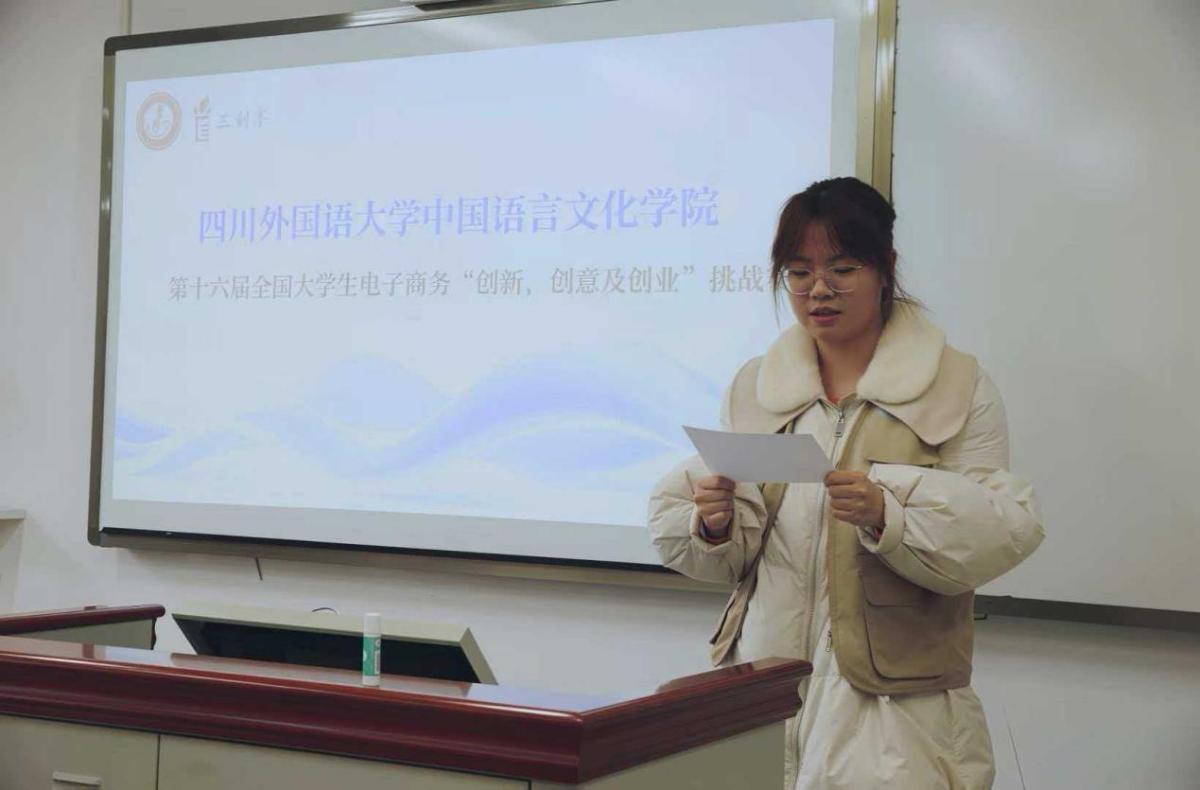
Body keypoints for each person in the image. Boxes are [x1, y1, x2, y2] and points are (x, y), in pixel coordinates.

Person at [648, 177, 1044, 789]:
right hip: (762, 682)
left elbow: (1001, 531)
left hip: (894, 706)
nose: (818, 289)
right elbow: (738, 557)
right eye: (798, 272)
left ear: (886, 267)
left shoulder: (956, 385)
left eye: (842, 268)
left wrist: (890, 514)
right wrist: (715, 524)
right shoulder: (757, 386)